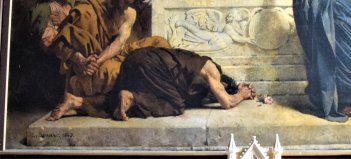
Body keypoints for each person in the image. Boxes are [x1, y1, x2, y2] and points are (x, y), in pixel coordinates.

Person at [46, 0, 171, 120]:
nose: (125, 7)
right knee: (122, 74)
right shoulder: (86, 9)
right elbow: (62, 41)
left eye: (129, 4)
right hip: (90, 61)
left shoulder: (129, 13)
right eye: (124, 2)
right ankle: (81, 101)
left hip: (108, 56)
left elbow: (119, 43)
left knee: (160, 43)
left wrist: (99, 61)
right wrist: (81, 60)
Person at [109, 47, 256, 120]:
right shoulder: (213, 72)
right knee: (177, 105)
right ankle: (132, 98)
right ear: (223, 84)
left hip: (134, 60)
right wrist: (242, 94)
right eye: (219, 91)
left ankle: (127, 101)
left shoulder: (198, 81)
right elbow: (227, 102)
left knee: (163, 97)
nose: (214, 96)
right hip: (151, 65)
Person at [12, 0, 77, 108]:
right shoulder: (46, 9)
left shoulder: (76, 4)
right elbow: (47, 46)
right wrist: (65, 26)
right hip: (55, 61)